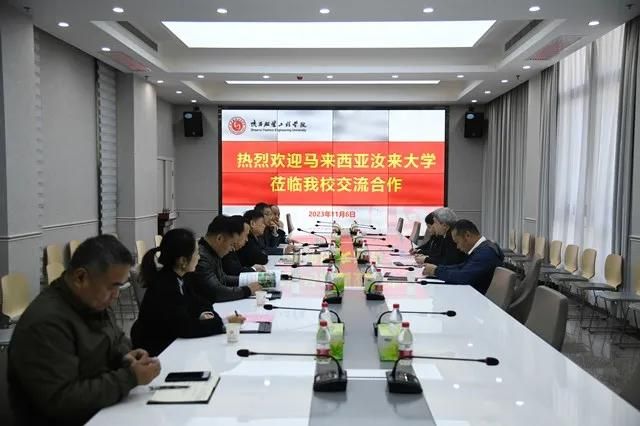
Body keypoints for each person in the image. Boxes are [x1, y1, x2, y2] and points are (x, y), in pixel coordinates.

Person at [7, 235, 161, 426]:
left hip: (102, 412)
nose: (116, 295)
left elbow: (115, 340)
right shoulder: (46, 323)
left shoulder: (92, 302)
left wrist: (126, 357)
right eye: (112, 287)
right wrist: (130, 377)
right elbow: (62, 401)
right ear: (81, 278)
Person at [131, 228, 246, 356]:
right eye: (196, 253)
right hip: (159, 352)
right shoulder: (165, 286)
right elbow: (186, 328)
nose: (199, 257)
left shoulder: (182, 277)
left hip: (174, 344)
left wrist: (204, 313)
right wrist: (224, 322)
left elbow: (200, 301)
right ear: (183, 261)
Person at [190, 215, 261, 303]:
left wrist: (252, 280)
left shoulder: (213, 251)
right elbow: (216, 292)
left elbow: (223, 278)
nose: (232, 249)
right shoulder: (201, 257)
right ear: (219, 239)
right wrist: (247, 290)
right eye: (231, 244)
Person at [422, 219, 504, 294]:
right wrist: (437, 269)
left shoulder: (485, 253)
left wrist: (436, 271)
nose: (457, 247)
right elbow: (461, 267)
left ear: (467, 235)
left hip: (479, 299)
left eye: (457, 242)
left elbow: (463, 277)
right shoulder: (483, 247)